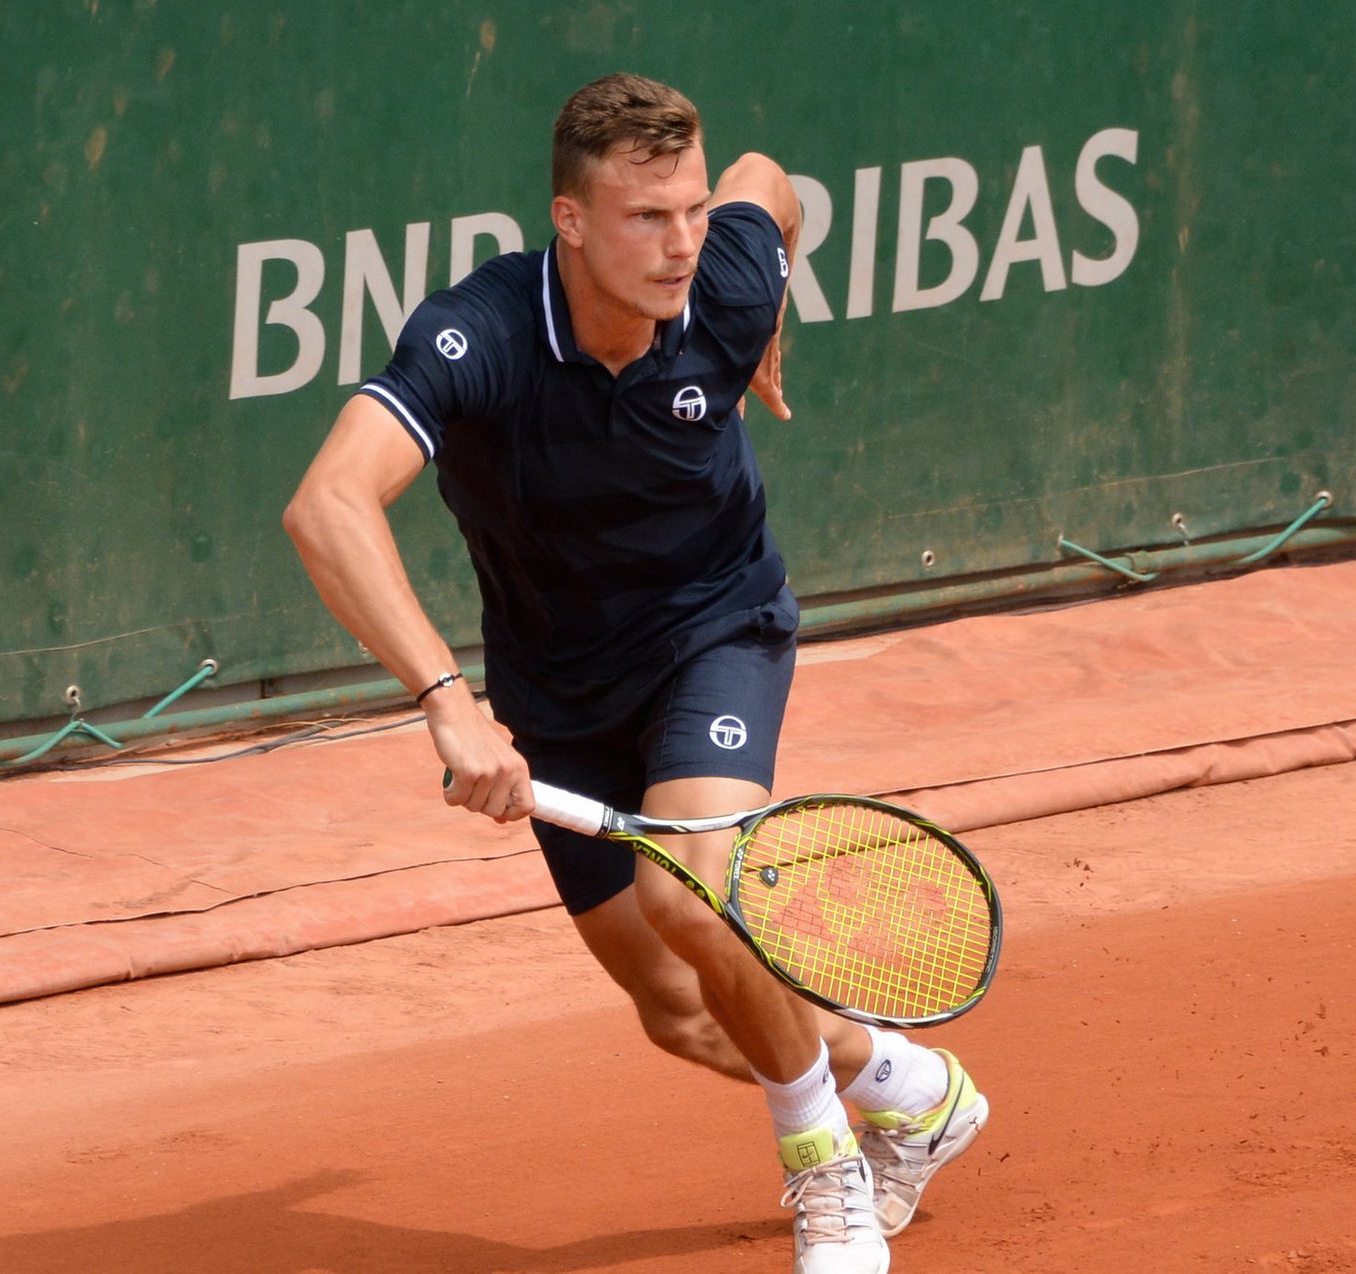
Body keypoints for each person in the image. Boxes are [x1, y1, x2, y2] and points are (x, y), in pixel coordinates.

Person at [283, 73, 987, 1273]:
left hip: (716, 631)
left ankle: (828, 1180)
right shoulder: (483, 335)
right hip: (554, 689)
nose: (678, 246)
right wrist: (448, 705)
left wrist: (767, 308)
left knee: (690, 891)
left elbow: (769, 183)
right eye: (643, 218)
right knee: (679, 1008)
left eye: (690, 212)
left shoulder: (722, 268)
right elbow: (328, 503)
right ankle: (911, 1085)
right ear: (568, 221)